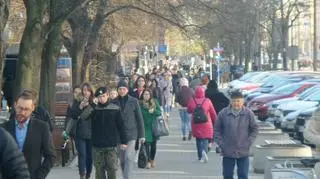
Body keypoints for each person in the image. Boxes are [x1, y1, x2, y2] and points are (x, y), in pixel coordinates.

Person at [2, 89, 56, 179]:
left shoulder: (42, 128)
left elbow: (51, 156)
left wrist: (39, 176)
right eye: (20, 108)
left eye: (26, 109)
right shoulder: (4, 128)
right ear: (15, 105)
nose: (22, 113)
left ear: (32, 108)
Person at [79, 87, 128, 179]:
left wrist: (124, 141)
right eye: (100, 97)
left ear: (108, 95)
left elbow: (121, 126)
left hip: (111, 145)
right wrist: (92, 105)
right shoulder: (94, 108)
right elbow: (83, 117)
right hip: (97, 146)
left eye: (103, 96)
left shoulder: (115, 108)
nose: (102, 99)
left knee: (112, 170)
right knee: (99, 171)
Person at [214, 91, 258, 179]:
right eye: (234, 101)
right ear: (230, 101)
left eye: (238, 101)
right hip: (228, 150)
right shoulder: (223, 113)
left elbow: (254, 129)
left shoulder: (249, 114)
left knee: (243, 175)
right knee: (227, 175)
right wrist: (221, 144)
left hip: (243, 150)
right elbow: (216, 130)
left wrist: (249, 142)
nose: (236, 103)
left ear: (242, 102)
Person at [117, 80, 145, 179]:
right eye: (120, 89)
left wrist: (142, 135)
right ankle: (125, 175)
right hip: (118, 135)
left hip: (131, 133)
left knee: (128, 157)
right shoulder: (114, 102)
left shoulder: (134, 101)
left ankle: (126, 177)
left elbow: (139, 118)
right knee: (122, 160)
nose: (122, 91)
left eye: (124, 89)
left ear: (127, 90)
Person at [69, 83, 94, 179]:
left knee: (89, 156)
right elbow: (73, 115)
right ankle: (82, 175)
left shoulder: (94, 102)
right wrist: (80, 106)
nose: (86, 92)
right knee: (82, 154)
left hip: (91, 133)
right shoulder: (77, 101)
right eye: (84, 90)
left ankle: (88, 174)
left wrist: (91, 106)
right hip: (80, 132)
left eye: (88, 90)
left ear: (91, 91)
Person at [187, 87, 217, 163]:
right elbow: (213, 113)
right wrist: (216, 122)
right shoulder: (208, 101)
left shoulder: (192, 100)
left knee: (198, 140)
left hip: (196, 123)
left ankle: (200, 156)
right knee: (205, 139)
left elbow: (189, 111)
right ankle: (205, 153)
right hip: (206, 123)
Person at [139, 89, 162, 169]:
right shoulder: (140, 104)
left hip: (154, 126)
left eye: (148, 94)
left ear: (150, 95)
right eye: (145, 94)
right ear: (142, 95)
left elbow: (159, 112)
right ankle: (148, 161)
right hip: (144, 127)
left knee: (153, 145)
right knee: (146, 145)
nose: (146, 96)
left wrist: (154, 111)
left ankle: (152, 159)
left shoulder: (154, 102)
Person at [205, 80, 230, 152]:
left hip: (208, 115)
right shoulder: (219, 94)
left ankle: (209, 144)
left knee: (210, 130)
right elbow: (227, 101)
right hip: (218, 114)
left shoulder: (206, 94)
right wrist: (221, 107)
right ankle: (218, 146)